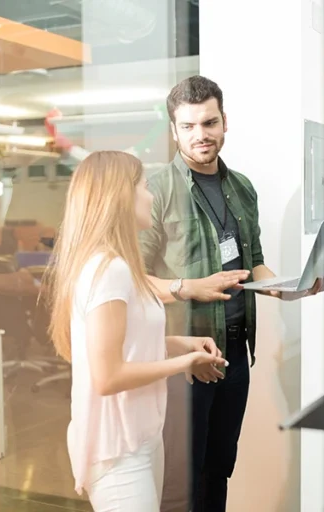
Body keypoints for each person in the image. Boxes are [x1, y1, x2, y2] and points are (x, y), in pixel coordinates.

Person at [138, 75, 324, 512]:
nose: (200, 135)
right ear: (174, 130)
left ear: (224, 122)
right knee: (181, 475)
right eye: (188, 126)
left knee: (219, 465)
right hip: (184, 355)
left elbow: (253, 260)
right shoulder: (157, 191)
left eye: (209, 122)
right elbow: (135, 277)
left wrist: (285, 289)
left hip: (236, 351)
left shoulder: (242, 187)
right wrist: (187, 288)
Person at [43, 151, 228, 512]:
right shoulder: (107, 270)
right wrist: (184, 362)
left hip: (141, 437)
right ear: (121, 197)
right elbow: (108, 376)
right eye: (144, 186)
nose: (151, 195)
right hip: (118, 451)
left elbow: (127, 344)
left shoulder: (119, 267)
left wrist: (178, 345)